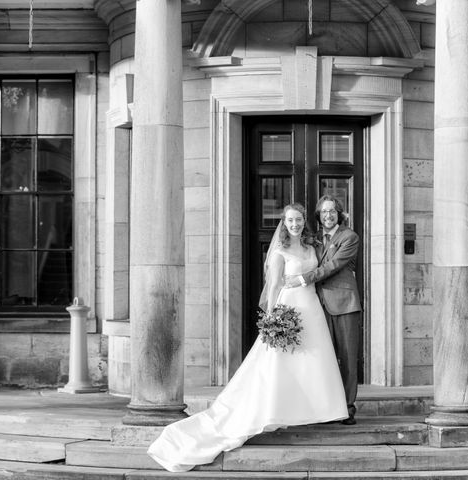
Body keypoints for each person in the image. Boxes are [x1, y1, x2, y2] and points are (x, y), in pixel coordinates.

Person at [147, 203, 348, 472]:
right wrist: (274, 318)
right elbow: (274, 285)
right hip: (289, 307)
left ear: (304, 222)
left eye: (299, 219)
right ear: (284, 223)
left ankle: (316, 410)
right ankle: (278, 409)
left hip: (312, 309)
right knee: (279, 364)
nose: (295, 224)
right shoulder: (280, 250)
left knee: (313, 359)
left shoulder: (313, 249)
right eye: (290, 220)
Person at [284, 195, 362, 425]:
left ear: (339, 213)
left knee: (347, 358)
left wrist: (302, 279)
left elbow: (333, 266)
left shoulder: (349, 237)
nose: (328, 215)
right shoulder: (314, 239)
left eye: (332, 211)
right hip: (318, 306)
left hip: (344, 304)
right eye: (324, 211)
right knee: (324, 359)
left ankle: (347, 408)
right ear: (318, 215)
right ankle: (327, 407)